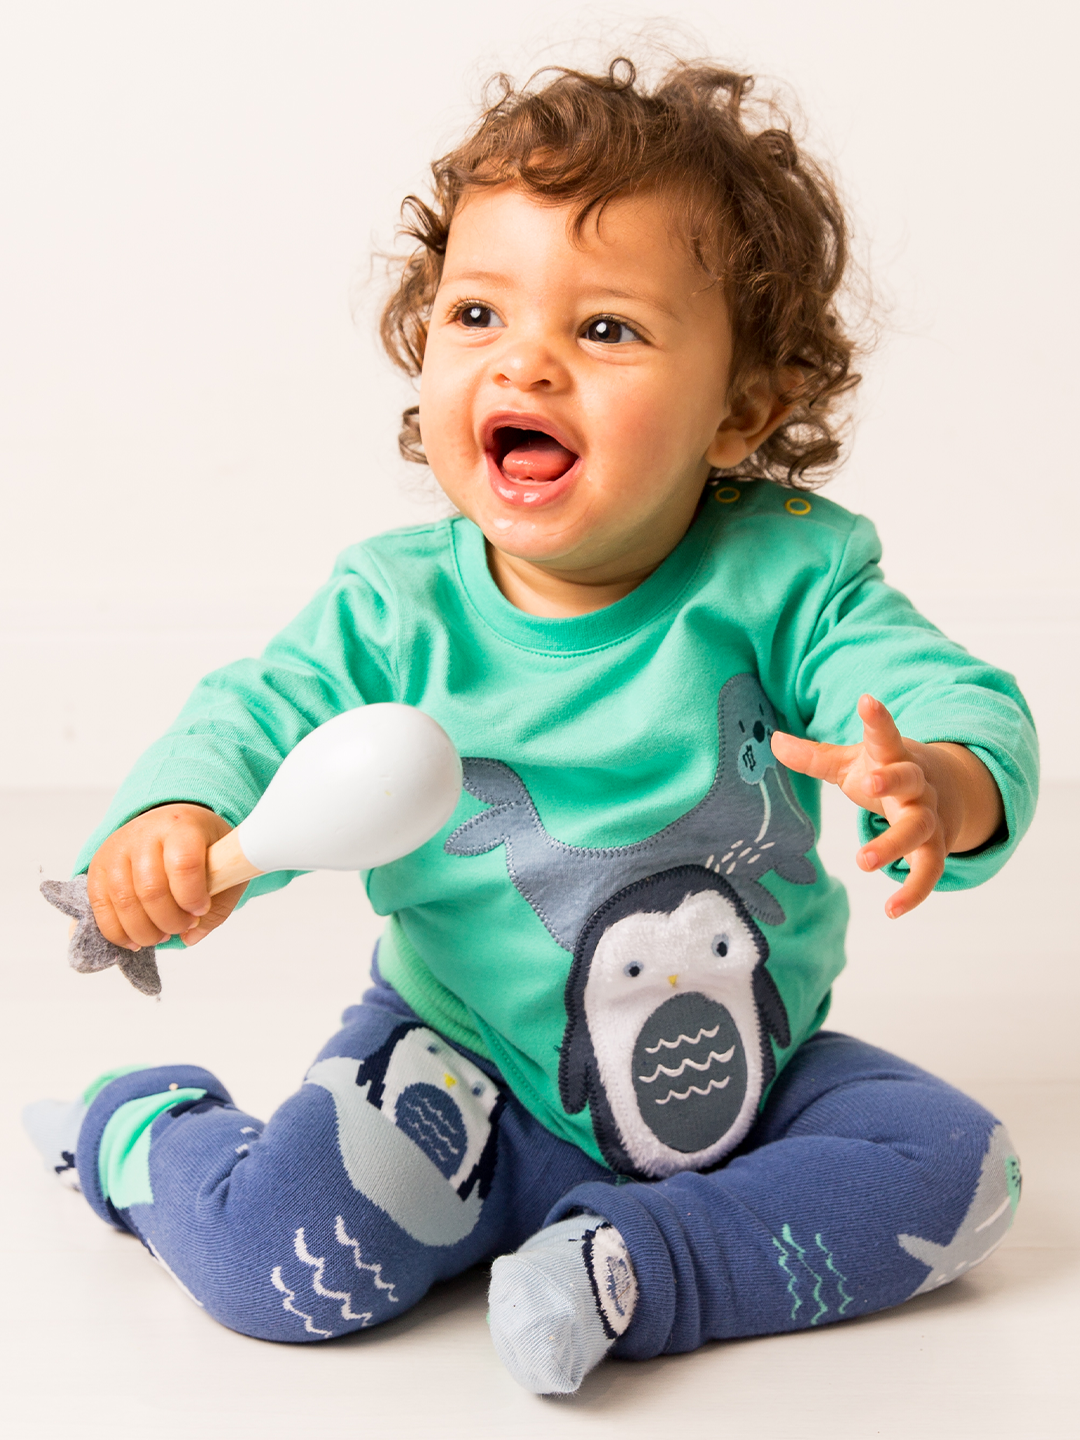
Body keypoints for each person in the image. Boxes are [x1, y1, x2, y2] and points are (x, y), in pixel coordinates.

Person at [24, 58, 1036, 1394]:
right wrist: (176, 817)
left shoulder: (794, 575)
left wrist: (940, 778)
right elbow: (256, 719)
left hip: (753, 1076)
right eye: (477, 312)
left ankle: (630, 1262)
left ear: (740, 408)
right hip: (466, 1071)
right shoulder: (394, 611)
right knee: (281, 1262)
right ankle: (144, 1134)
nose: (525, 359)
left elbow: (937, 690)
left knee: (962, 1172)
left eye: (606, 328)